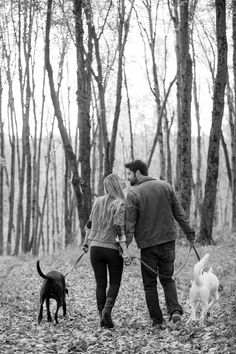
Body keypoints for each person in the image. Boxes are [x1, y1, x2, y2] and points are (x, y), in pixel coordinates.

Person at [124, 159, 195, 329]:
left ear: (138, 173)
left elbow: (130, 225)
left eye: (129, 174)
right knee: (167, 279)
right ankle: (175, 312)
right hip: (168, 241)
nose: (127, 178)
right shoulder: (166, 186)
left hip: (148, 246)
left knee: (150, 284)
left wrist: (125, 248)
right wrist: (189, 232)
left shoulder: (133, 193)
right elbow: (179, 213)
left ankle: (157, 321)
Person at [82, 173, 131, 329]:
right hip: (111, 249)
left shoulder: (97, 202)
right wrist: (125, 250)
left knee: (100, 284)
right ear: (117, 185)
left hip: (95, 249)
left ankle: (102, 317)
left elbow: (89, 225)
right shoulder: (120, 203)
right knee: (115, 282)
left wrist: (85, 243)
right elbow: (118, 227)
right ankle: (107, 311)